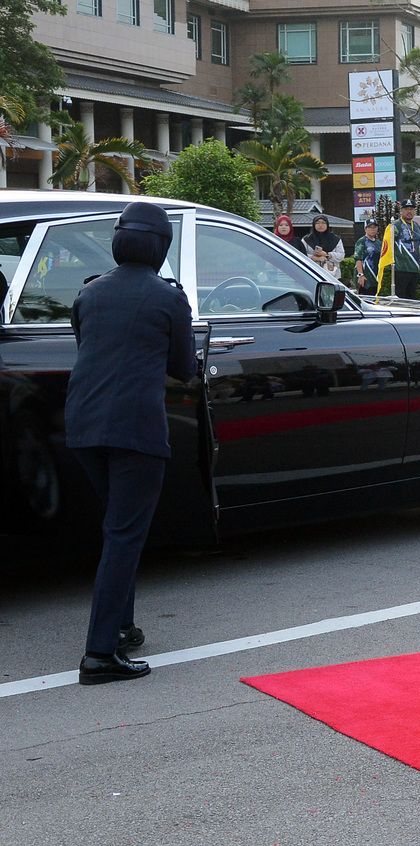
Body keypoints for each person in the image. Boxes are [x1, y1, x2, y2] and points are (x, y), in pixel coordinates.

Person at [66, 202, 196, 685]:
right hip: (136, 431)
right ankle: (99, 654)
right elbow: (183, 368)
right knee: (124, 534)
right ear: (161, 247)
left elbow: (91, 349)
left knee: (116, 527)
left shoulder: (90, 294)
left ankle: (121, 626)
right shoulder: (168, 299)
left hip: (83, 425)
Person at [390, 199, 420, 299]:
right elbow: (388, 245)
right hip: (401, 268)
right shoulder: (395, 225)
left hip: (414, 268)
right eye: (406, 209)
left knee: (412, 298)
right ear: (401, 211)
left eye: (412, 209)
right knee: (401, 298)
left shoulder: (417, 226)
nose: (409, 211)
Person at [302, 214, 345, 280]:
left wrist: (327, 255)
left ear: (327, 225)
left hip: (332, 275)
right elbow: (301, 255)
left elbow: (341, 255)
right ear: (314, 225)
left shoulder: (335, 239)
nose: (320, 225)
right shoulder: (306, 239)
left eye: (323, 223)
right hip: (312, 273)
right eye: (318, 223)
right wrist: (314, 258)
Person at [353, 218, 382, 295]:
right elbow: (358, 259)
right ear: (365, 229)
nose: (372, 229)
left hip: (376, 277)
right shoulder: (362, 241)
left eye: (374, 227)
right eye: (370, 227)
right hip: (365, 278)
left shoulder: (379, 243)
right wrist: (360, 275)